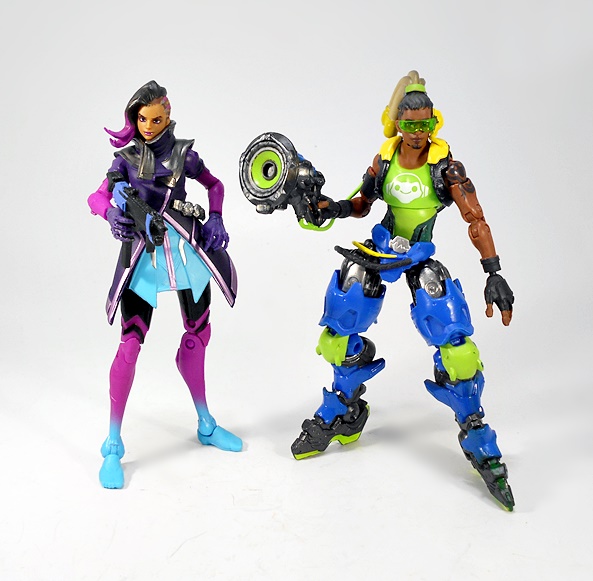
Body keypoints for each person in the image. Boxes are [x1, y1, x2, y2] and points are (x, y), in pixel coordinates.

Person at [289, 71, 515, 509]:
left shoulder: (445, 168)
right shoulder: (385, 158)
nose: (417, 132)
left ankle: (475, 429)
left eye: (424, 124)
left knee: (454, 340)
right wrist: (330, 208)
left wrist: (493, 272)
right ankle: (345, 409)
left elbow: (476, 219)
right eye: (410, 124)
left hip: (419, 254)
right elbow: (361, 203)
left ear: (434, 122)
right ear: (398, 124)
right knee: (340, 321)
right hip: (379, 248)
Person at [88, 80, 241, 489]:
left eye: (156, 119)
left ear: (168, 115)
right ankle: (113, 444)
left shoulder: (183, 154)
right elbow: (96, 197)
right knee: (130, 345)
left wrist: (216, 217)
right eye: (142, 119)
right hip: (145, 256)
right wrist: (112, 214)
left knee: (198, 336)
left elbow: (215, 185)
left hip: (186, 252)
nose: (149, 127)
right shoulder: (124, 161)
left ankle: (205, 423)